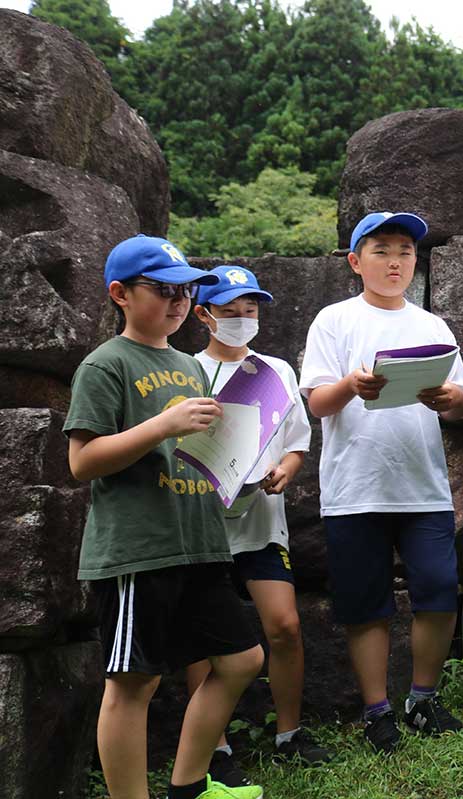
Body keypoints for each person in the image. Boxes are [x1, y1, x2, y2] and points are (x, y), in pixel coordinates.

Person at [65, 235, 265, 799]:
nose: (178, 302)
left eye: (185, 291)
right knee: (133, 683)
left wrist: (235, 464)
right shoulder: (105, 364)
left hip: (199, 541)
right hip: (138, 547)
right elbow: (82, 462)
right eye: (163, 290)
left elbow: (197, 454)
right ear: (120, 294)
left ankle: (189, 786)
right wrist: (161, 427)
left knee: (242, 658)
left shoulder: (187, 365)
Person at [299, 212, 463, 752]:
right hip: (355, 488)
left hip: (423, 486)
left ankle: (422, 697)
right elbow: (316, 401)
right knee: (365, 603)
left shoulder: (432, 325)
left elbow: (461, 399)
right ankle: (377, 711)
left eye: (404, 250)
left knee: (440, 591)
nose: (395, 261)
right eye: (381, 250)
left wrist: (450, 400)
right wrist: (351, 385)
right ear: (356, 261)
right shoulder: (334, 320)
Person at [183, 265, 331, 787]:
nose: (244, 319)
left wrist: (284, 473)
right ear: (204, 315)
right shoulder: (187, 372)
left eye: (251, 309)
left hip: (263, 523)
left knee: (284, 625)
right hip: (201, 527)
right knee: (203, 640)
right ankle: (215, 746)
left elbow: (295, 442)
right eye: (230, 310)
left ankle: (289, 732)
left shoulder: (276, 370)